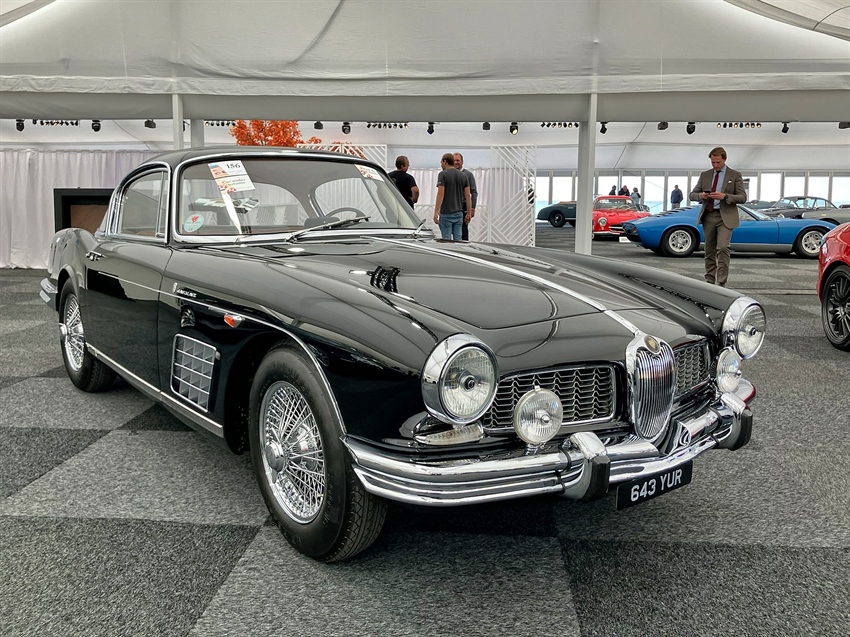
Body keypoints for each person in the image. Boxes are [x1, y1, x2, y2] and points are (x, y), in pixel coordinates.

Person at [689, 146, 747, 287]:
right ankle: (709, 281)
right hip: (708, 215)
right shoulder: (705, 175)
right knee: (709, 250)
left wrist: (725, 196)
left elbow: (742, 197)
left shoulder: (735, 175)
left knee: (722, 247)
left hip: (725, 217)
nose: (715, 165)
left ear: (724, 159)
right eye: (713, 162)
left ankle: (721, 282)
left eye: (718, 162)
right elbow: (692, 195)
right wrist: (701, 195)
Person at [433, 153, 472, 241]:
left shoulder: (442, 174)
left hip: (446, 213)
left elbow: (440, 193)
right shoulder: (463, 175)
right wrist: (469, 213)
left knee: (447, 240)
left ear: (445, 161)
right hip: (459, 213)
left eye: (441, 162)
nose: (441, 164)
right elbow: (467, 195)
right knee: (458, 239)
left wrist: (436, 212)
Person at [453, 153, 478, 241]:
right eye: (454, 160)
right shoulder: (449, 174)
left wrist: (472, 207)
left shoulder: (468, 174)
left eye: (458, 160)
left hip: (464, 206)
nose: (456, 162)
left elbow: (473, 192)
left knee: (463, 230)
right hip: (452, 206)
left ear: (462, 162)